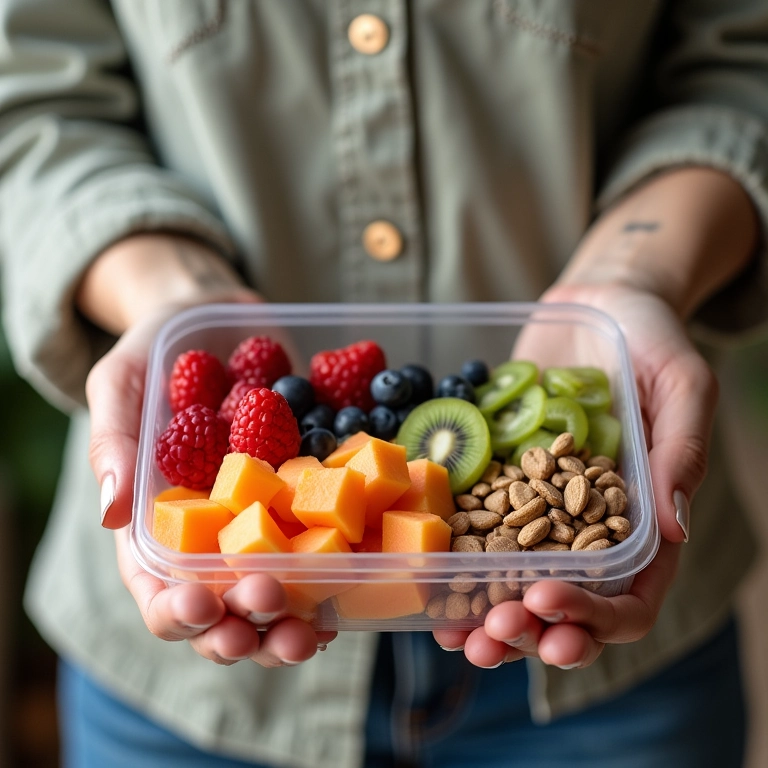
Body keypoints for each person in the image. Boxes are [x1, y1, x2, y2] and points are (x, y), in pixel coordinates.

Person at [1, 1, 766, 766]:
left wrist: (636, 270)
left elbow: (742, 65)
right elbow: (34, 104)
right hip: (187, 695)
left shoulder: (523, 492)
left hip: (605, 674)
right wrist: (168, 294)